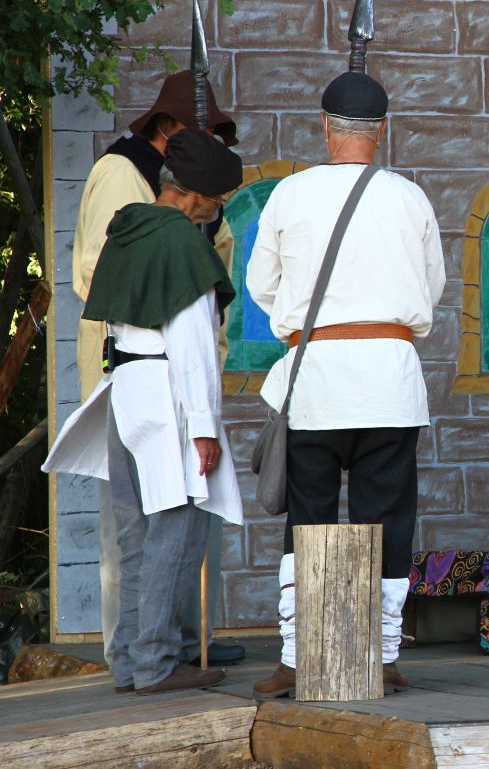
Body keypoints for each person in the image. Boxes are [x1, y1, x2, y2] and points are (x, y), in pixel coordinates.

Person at [247, 70, 446, 699]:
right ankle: (381, 657)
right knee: (386, 522)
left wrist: (309, 321)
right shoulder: (410, 197)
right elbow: (432, 289)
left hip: (317, 381)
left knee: (307, 522)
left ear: (324, 125)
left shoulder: (289, 194)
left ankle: (295, 658)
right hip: (390, 380)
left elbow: (261, 287)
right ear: (382, 130)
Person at [43, 129, 245, 694]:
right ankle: (156, 662)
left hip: (123, 392)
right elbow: (193, 342)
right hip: (164, 392)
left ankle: (131, 665)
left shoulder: (127, 228)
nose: (216, 211)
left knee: (136, 538)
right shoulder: (183, 242)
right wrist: (203, 427)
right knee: (175, 533)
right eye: (217, 201)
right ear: (197, 197)